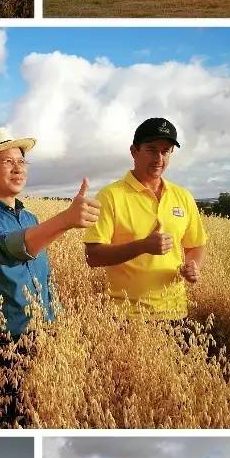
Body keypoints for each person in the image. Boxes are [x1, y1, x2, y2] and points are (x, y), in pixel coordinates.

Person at [0, 126, 100, 426]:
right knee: (12, 419)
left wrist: (56, 322)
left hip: (45, 333)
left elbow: (45, 279)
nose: (19, 168)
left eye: (22, 161)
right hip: (3, 340)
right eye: (8, 161)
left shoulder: (30, 218)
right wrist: (65, 219)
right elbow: (7, 249)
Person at [84, 118, 208, 320]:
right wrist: (142, 246)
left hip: (175, 313)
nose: (159, 158)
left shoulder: (183, 197)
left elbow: (196, 245)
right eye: (151, 150)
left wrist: (193, 266)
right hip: (125, 316)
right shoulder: (111, 196)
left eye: (165, 151)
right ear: (134, 151)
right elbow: (93, 256)